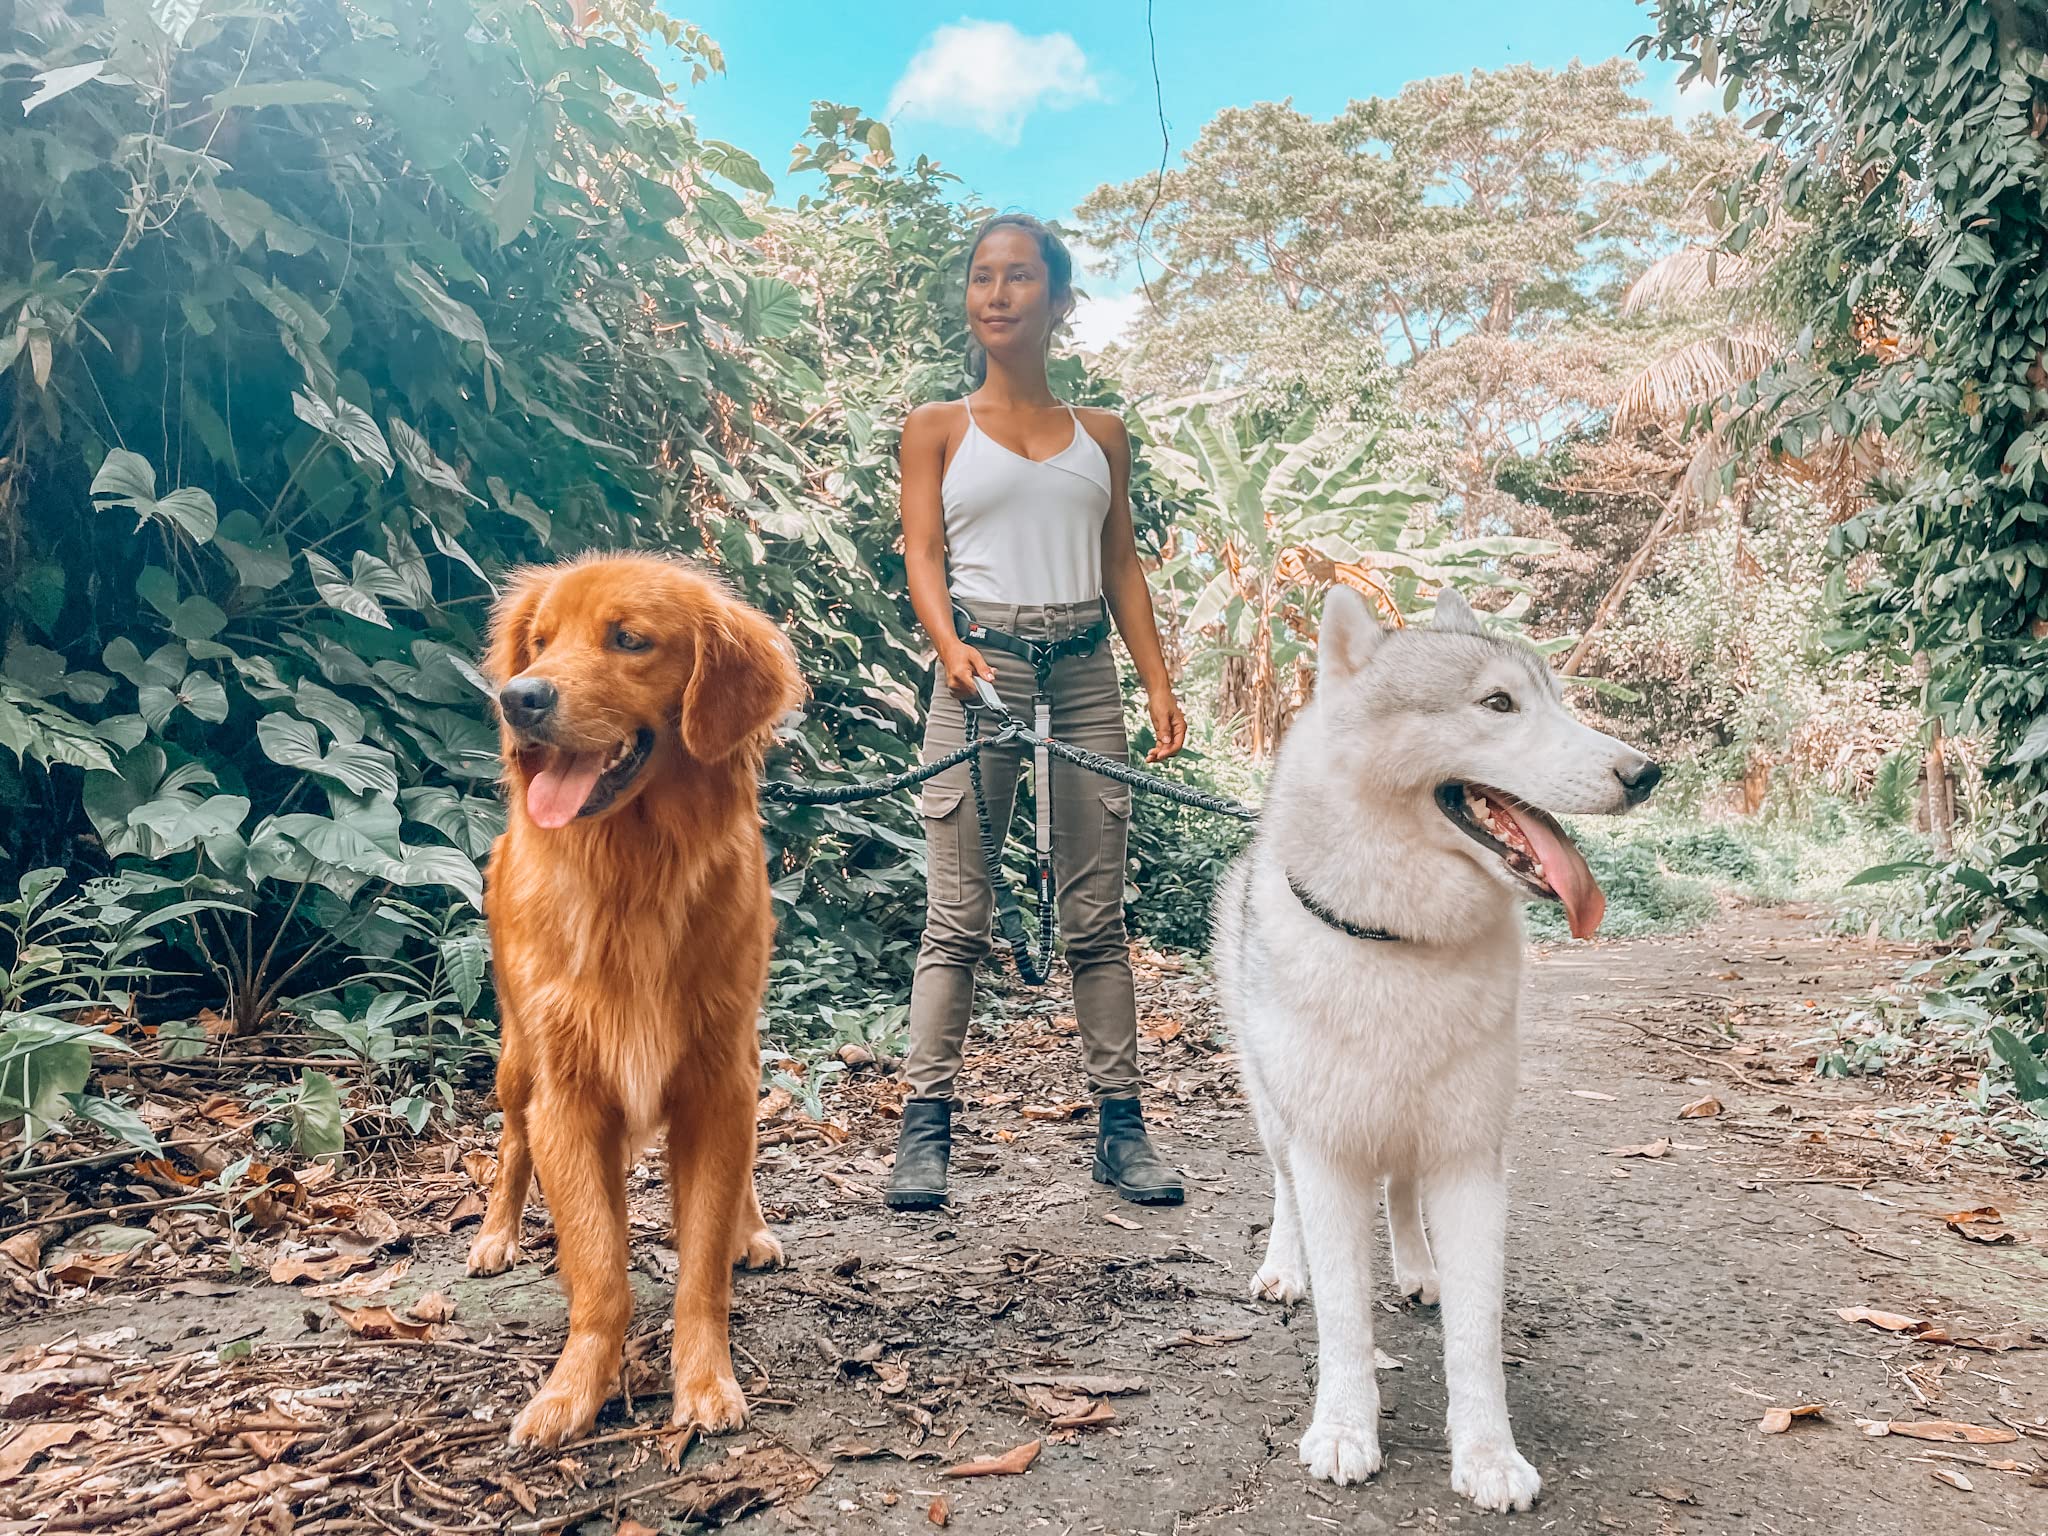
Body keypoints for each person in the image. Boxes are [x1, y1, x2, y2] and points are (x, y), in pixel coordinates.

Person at [885, 212, 1189, 1212]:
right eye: (982, 277)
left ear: (1059, 302)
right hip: (982, 670)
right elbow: (921, 555)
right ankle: (922, 1136)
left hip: (1085, 672)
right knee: (956, 917)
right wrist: (947, 647)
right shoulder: (935, 428)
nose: (997, 293)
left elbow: (1120, 566)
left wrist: (1155, 682)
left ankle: (1120, 1132)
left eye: (1020, 278)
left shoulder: (1101, 435)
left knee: (1095, 920)